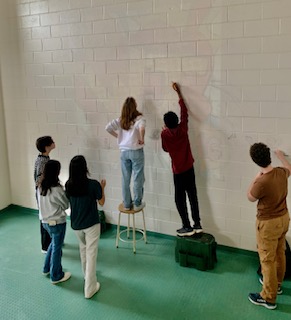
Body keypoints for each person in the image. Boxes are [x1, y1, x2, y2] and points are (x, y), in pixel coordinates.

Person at [247, 143, 290, 310]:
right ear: (269, 156)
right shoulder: (281, 172)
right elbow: (289, 168)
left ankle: (268, 298)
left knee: (267, 259)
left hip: (268, 224)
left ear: (255, 161)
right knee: (280, 253)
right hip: (284, 218)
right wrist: (281, 156)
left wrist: (256, 178)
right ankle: (277, 285)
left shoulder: (262, 181)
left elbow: (250, 197)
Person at [161, 82, 203, 237]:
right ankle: (197, 224)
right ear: (176, 121)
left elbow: (165, 149)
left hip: (178, 171)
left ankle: (186, 226)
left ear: (166, 124)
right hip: (189, 167)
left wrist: (164, 131)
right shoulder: (183, 128)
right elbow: (184, 111)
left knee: (180, 199)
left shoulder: (165, 134)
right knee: (193, 196)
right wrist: (179, 93)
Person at [65, 155, 106, 299]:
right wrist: (102, 188)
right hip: (91, 224)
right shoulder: (93, 184)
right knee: (91, 254)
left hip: (76, 224)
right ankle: (90, 288)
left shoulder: (68, 185)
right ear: (85, 168)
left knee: (83, 250)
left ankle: (86, 276)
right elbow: (101, 202)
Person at [105, 97, 146, 211]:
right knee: (138, 178)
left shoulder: (120, 120)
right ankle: (137, 203)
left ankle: (127, 204)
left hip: (124, 152)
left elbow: (107, 128)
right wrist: (142, 139)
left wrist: (118, 137)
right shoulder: (139, 119)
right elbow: (142, 128)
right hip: (136, 152)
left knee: (125, 179)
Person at [37, 160, 71, 284]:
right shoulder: (57, 189)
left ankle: (46, 268)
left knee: (53, 244)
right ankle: (56, 275)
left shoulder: (40, 186)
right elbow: (66, 205)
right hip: (57, 223)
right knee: (57, 248)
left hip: (45, 222)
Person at [34, 136, 55, 253]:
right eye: (52, 142)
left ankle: (51, 241)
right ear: (47, 146)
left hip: (44, 193)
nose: (54, 143)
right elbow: (38, 180)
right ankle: (45, 246)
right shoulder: (43, 161)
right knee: (44, 218)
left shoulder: (44, 158)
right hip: (42, 194)